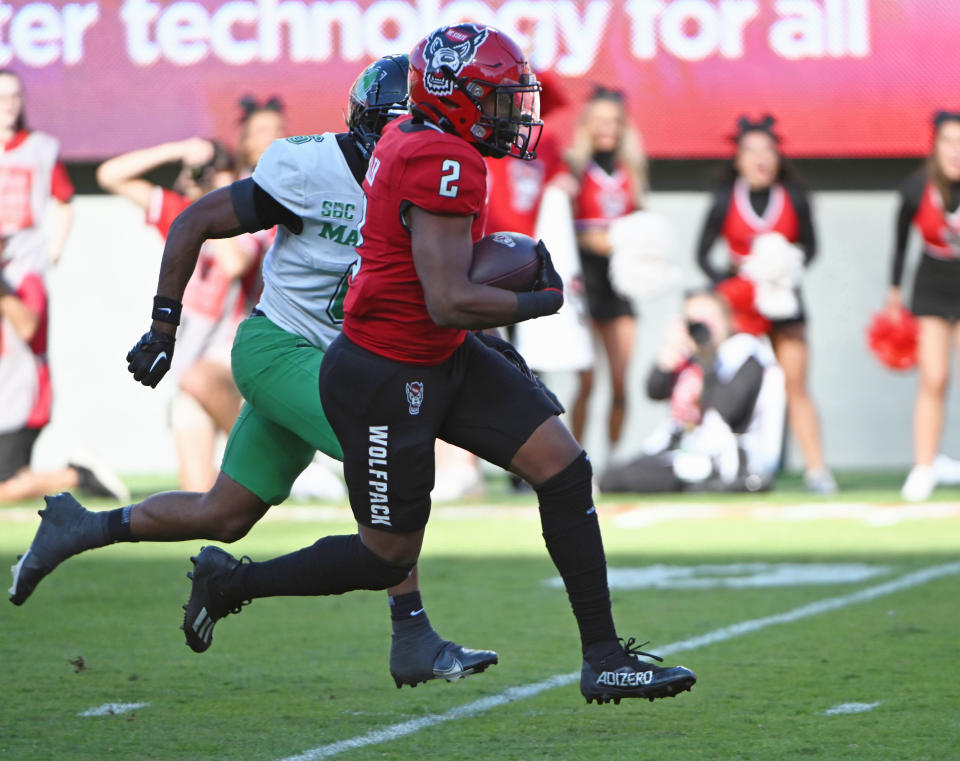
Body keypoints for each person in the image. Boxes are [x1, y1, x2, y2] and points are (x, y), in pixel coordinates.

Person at [172, 24, 696, 704]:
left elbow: (441, 298)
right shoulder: (443, 160)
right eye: (499, 100)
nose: (515, 116)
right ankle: (232, 581)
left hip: (436, 351)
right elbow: (449, 299)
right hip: (387, 371)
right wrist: (540, 298)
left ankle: (602, 656)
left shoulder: (419, 139)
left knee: (563, 467)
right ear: (455, 99)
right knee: (383, 555)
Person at [9, 55, 497, 690]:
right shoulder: (310, 168)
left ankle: (83, 527)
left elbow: (438, 291)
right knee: (384, 445)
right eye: (409, 135)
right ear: (378, 133)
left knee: (224, 514)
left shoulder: (429, 185)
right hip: (279, 350)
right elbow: (194, 220)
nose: (419, 151)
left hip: (338, 361)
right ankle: (412, 634)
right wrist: (163, 326)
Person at [97, 138, 265, 490]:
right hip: (190, 348)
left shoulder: (252, 213)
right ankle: (262, 468)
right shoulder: (182, 213)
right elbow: (109, 176)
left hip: (233, 346)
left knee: (197, 378)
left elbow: (234, 263)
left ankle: (272, 455)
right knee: (197, 492)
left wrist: (207, 211)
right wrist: (178, 150)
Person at [0, 69, 126, 504]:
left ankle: (75, 475)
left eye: (14, 96)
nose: (8, 105)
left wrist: (52, 250)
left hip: (16, 400)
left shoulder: (40, 150)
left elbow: (63, 201)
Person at [695, 115, 836, 494]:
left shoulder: (794, 196)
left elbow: (812, 247)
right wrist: (733, 281)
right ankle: (726, 463)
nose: (760, 159)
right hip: (741, 307)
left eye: (767, 150)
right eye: (751, 151)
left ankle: (816, 470)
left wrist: (784, 267)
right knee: (737, 385)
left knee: (796, 383)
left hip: (784, 302)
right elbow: (703, 253)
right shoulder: (726, 199)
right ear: (738, 159)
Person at [600, 290, 785, 494]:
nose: (702, 329)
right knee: (615, 474)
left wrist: (707, 361)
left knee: (621, 480)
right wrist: (669, 353)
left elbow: (730, 411)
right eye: (694, 321)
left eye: (708, 321)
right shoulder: (690, 356)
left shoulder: (744, 354)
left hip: (729, 459)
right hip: (687, 450)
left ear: (727, 321)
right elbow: (654, 391)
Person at [564, 86, 646, 451]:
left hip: (621, 285)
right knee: (587, 381)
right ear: (587, 125)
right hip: (587, 284)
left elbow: (640, 225)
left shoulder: (633, 171)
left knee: (620, 383)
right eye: (599, 121)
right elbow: (566, 231)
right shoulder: (575, 168)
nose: (607, 128)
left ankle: (613, 463)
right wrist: (599, 240)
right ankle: (573, 459)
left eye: (614, 121)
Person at [888, 111, 960, 501]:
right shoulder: (917, 188)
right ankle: (924, 466)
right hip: (932, 284)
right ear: (935, 145)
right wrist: (894, 291)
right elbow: (900, 244)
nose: (957, 151)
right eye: (949, 141)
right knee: (933, 377)